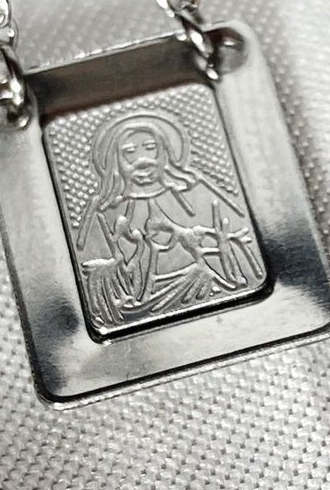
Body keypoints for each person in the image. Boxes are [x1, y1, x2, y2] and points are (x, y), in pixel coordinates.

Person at [72, 109, 263, 327]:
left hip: (208, 290)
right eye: (130, 152)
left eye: (150, 148)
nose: (142, 159)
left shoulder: (196, 192)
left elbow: (241, 239)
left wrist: (191, 239)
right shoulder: (105, 209)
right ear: (116, 161)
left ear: (164, 152)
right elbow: (91, 265)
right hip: (138, 305)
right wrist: (132, 254)